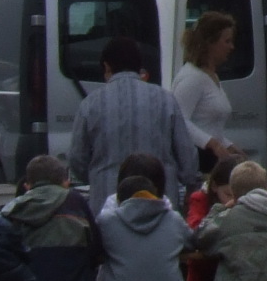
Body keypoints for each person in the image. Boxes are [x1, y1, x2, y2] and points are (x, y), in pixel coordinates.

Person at [66, 35, 202, 203]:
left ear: (107, 67)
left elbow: (77, 159)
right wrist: (188, 182)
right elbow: (187, 155)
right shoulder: (166, 100)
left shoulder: (90, 104)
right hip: (159, 202)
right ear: (139, 67)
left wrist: (97, 176)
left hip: (107, 202)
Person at [0, 155, 100, 281]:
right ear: (65, 182)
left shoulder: (11, 212)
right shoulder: (76, 202)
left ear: (27, 185)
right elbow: (97, 253)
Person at [172, 11, 240, 165]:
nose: (231, 47)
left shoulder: (211, 76)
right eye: (227, 41)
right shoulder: (192, 78)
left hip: (212, 160)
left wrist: (229, 146)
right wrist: (212, 144)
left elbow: (210, 127)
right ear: (210, 42)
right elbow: (179, 120)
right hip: (197, 161)